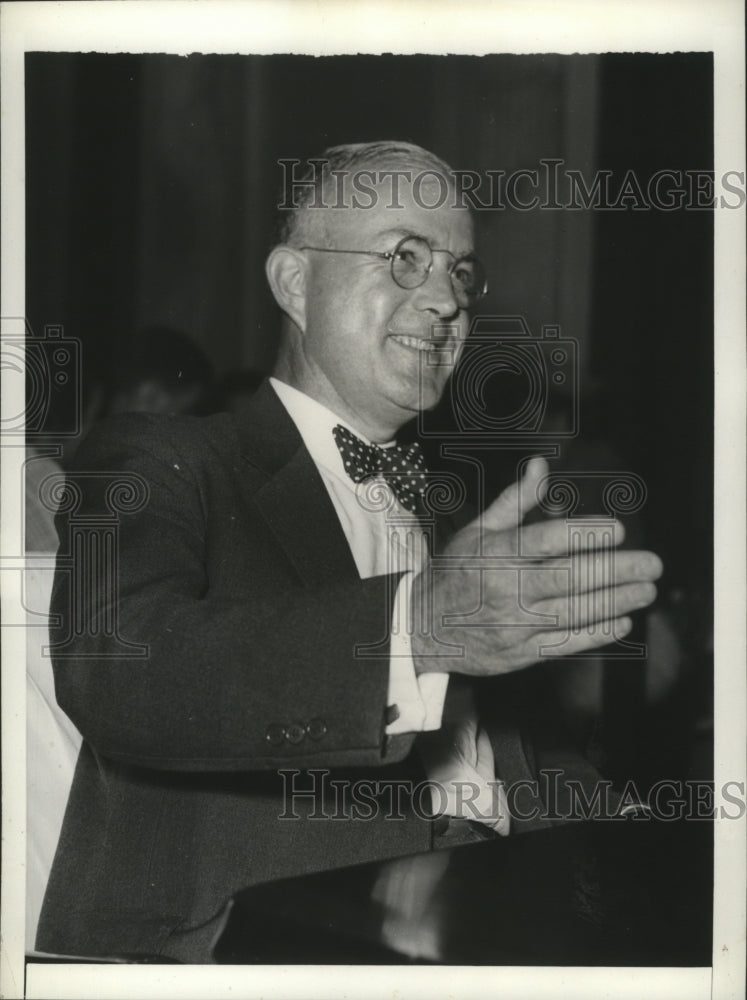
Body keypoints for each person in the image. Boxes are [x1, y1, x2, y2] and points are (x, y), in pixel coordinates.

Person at [36, 141, 662, 963]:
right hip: (242, 954)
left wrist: (632, 835)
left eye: (460, 272)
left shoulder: (455, 514)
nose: (445, 298)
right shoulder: (160, 459)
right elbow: (118, 671)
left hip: (479, 936)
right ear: (294, 283)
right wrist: (414, 632)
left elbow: (517, 752)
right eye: (404, 256)